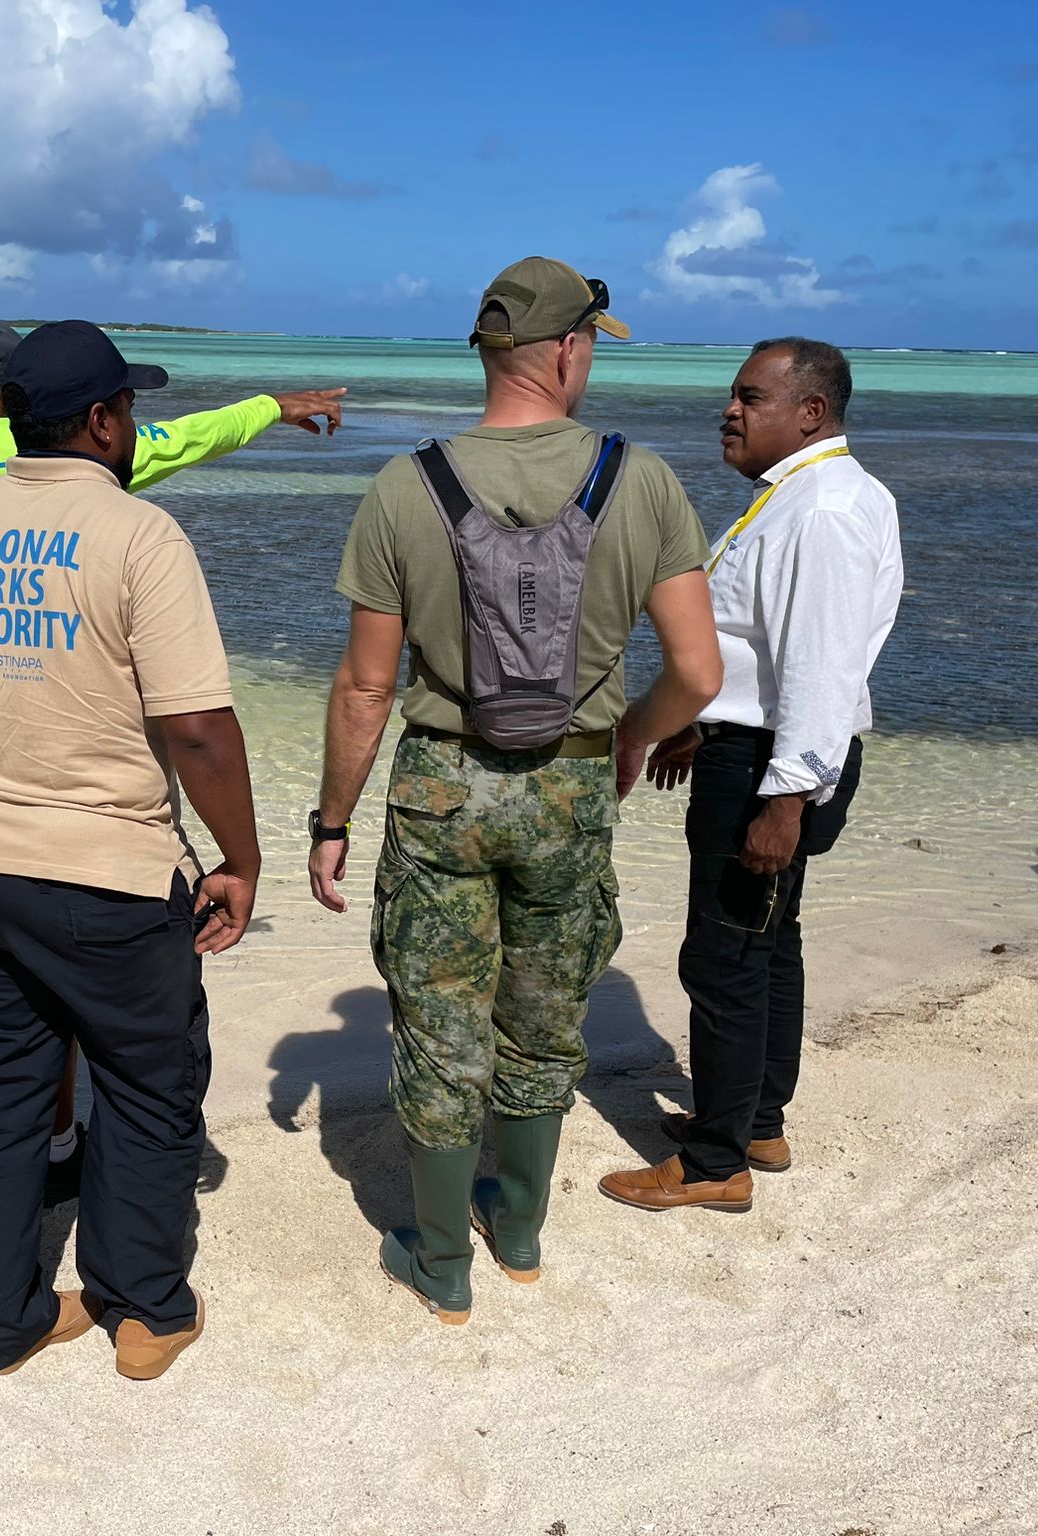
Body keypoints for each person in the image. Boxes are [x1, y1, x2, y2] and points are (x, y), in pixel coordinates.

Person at [0, 321, 342, 1227]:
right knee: (59, 950)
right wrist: (272, 407)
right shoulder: (42, 450)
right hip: (34, 752)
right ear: (6, 402)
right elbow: (175, 440)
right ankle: (61, 1145)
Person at [308, 258, 723, 1323]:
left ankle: (441, 1262)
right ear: (569, 350)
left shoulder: (407, 486)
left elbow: (363, 687)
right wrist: (630, 738)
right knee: (542, 1017)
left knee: (440, 1025)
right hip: (571, 786)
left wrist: (332, 820)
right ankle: (520, 1230)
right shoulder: (643, 480)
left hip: (441, 785)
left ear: (491, 353)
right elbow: (698, 674)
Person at [0, 319, 259, 1379]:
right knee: (145, 1086)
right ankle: (144, 1309)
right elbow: (199, 729)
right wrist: (239, 858)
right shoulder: (139, 536)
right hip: (111, 878)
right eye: (131, 407)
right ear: (100, 420)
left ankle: (4, 1322)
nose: (137, 425)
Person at [600, 338, 902, 1214]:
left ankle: (714, 1163)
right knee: (768, 942)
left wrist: (788, 793)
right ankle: (756, 1118)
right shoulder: (804, 498)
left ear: (811, 412)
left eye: (751, 397)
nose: (729, 411)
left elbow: (822, 661)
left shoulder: (826, 510)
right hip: (758, 745)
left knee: (725, 955)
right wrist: (704, 719)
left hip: (776, 764)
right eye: (733, 395)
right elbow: (764, 648)